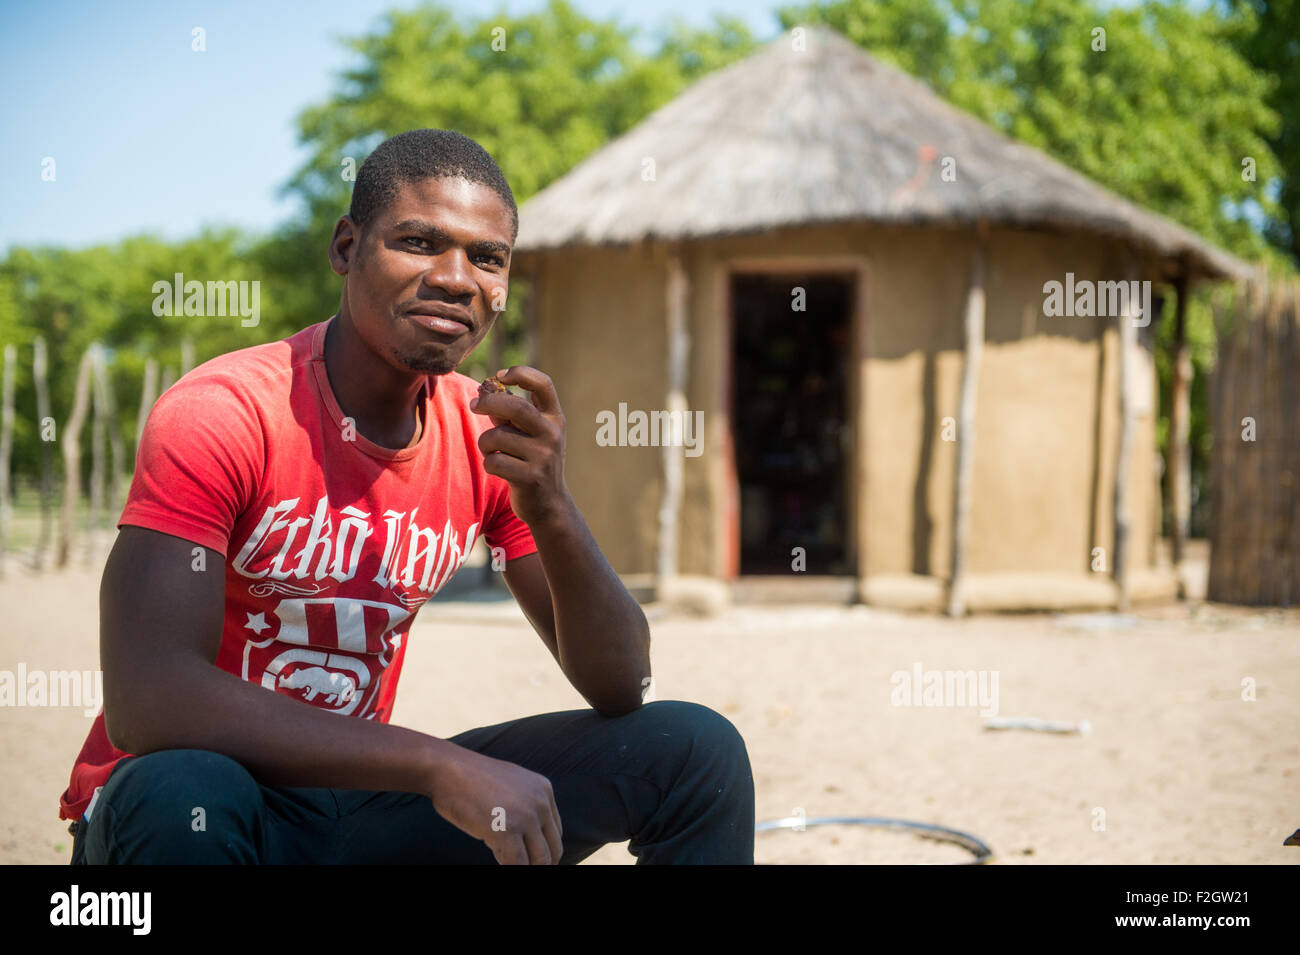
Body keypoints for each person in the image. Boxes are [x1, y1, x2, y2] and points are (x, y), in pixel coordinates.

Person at [59, 128, 754, 865]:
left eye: (488, 257)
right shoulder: (227, 411)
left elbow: (623, 685)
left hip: (350, 812)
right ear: (345, 247)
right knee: (185, 788)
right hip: (194, 817)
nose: (458, 278)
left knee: (693, 750)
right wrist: (434, 764)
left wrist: (549, 505)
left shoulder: (481, 433)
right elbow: (149, 698)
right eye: (420, 242)